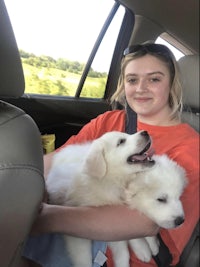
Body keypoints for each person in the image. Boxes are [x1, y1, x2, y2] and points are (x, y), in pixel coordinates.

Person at [22, 43, 199, 267]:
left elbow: (143, 222)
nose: (141, 88)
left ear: (171, 83)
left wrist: (44, 218)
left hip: (128, 258)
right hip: (67, 232)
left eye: (154, 79)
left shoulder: (190, 146)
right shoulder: (109, 121)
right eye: (132, 80)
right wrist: (24, 196)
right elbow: (56, 162)